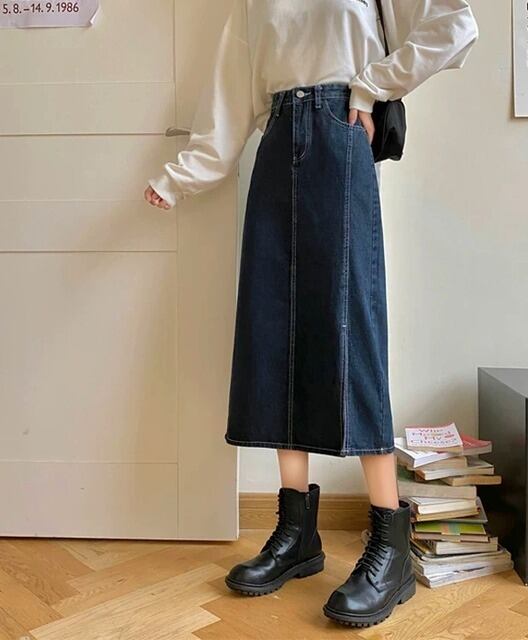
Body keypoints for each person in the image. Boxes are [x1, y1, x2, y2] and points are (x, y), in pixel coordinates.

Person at [145, 0, 479, 628]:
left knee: (351, 334)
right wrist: (182, 175)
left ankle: (390, 542)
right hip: (277, 145)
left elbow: (455, 26)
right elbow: (231, 91)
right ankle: (296, 531)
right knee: (276, 332)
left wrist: (372, 85)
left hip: (340, 135)